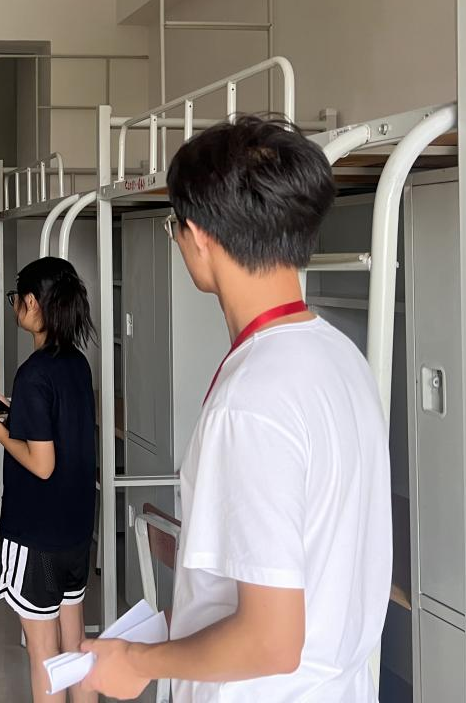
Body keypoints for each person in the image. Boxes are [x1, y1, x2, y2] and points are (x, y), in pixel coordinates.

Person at [81, 116, 391, 701]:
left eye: (175, 226)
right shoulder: (339, 356)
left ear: (199, 235)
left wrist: (138, 662)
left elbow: (270, 641)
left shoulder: (251, 401)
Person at [0, 256, 97, 703]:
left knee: (43, 653)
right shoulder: (76, 363)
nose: (15, 307)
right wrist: (10, 411)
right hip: (75, 527)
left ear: (33, 302)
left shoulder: (35, 372)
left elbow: (41, 464)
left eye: (15, 299)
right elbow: (56, 430)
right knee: (75, 642)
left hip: (35, 531)